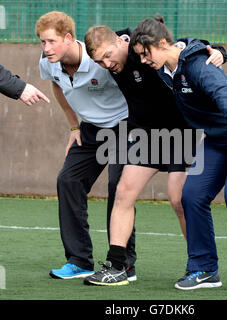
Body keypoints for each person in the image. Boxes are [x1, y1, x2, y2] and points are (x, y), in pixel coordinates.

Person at [129, 15, 227, 295]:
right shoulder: (166, 67)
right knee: (192, 195)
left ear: (162, 43)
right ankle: (205, 269)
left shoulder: (198, 66)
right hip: (219, 137)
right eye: (140, 55)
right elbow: (193, 44)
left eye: (146, 54)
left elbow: (223, 93)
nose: (144, 61)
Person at [82, 24, 227, 286]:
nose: (105, 64)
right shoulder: (112, 58)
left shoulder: (142, 48)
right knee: (123, 192)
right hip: (145, 133)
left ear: (120, 42)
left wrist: (217, 50)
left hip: (181, 131)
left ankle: (203, 267)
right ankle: (117, 266)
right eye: (98, 61)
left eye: (107, 55)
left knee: (178, 199)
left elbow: (179, 43)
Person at [35, 11, 137, 281]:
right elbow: (57, 86)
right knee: (68, 181)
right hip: (90, 130)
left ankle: (123, 264)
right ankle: (79, 260)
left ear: (68, 38)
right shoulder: (48, 63)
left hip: (124, 126)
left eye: (51, 41)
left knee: (120, 189)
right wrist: (74, 125)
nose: (46, 48)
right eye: (42, 42)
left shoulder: (98, 59)